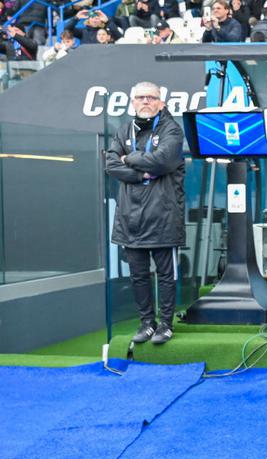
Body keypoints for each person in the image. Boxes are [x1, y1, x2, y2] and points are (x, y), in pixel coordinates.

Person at [104, 82, 186, 346]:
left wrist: (129, 158)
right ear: (133, 102)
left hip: (163, 218)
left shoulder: (172, 129)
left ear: (161, 102)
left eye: (151, 97)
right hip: (131, 219)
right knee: (138, 275)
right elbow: (111, 166)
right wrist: (140, 172)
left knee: (165, 276)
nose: (146, 101)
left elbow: (163, 161)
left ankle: (165, 325)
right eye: (140, 97)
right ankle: (146, 323)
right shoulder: (123, 130)